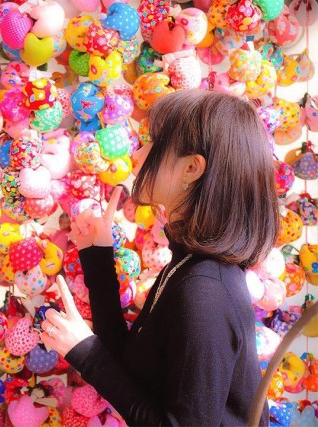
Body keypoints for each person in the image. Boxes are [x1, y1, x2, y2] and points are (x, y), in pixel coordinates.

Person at [40, 89, 278, 426]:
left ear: (191, 168)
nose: (137, 156)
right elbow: (133, 365)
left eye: (152, 142)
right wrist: (98, 257)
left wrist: (87, 354)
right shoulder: (189, 266)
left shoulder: (205, 291)